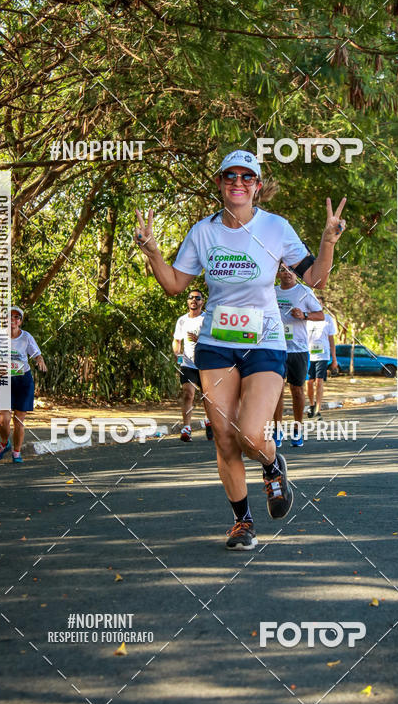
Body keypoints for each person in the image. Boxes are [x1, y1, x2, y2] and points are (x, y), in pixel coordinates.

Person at [135, 149, 345, 550]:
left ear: (257, 186)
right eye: (229, 175)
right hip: (215, 346)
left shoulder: (276, 228)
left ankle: (271, 464)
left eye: (247, 177)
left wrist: (327, 240)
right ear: (219, 183)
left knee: (250, 434)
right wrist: (153, 253)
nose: (238, 182)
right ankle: (242, 522)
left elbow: (315, 277)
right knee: (225, 440)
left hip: (264, 342)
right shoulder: (203, 232)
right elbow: (175, 285)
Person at [273, 264, 324, 448]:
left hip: (298, 350)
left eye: (291, 270)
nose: (287, 273)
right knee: (276, 391)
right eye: (283, 269)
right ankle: (277, 430)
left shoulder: (304, 291)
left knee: (297, 390)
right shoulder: (272, 292)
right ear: (278, 272)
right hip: (276, 348)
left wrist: (304, 315)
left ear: (296, 273)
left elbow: (321, 315)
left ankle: (297, 428)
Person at [0, 306, 47, 463]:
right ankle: (4, 444)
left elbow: (37, 354)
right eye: (10, 317)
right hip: (5, 379)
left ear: (20, 321)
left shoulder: (26, 337)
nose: (13, 320)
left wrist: (40, 361)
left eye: (17, 317)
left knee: (19, 420)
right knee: (3, 419)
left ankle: (16, 452)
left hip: (23, 380)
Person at [172, 290, 213, 442]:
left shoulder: (207, 318)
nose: (194, 300)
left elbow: (216, 338)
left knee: (207, 397)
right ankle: (186, 428)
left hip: (206, 363)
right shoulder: (182, 320)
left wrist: (199, 339)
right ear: (187, 301)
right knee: (188, 394)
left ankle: (209, 421)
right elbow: (177, 340)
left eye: (197, 298)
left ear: (203, 301)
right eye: (191, 298)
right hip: (188, 364)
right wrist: (177, 352)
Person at [306, 305, 338, 418]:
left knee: (319, 381)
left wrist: (334, 359)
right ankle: (311, 405)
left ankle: (318, 409)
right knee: (309, 382)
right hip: (308, 354)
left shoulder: (328, 319)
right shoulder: (306, 318)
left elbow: (331, 340)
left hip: (323, 355)